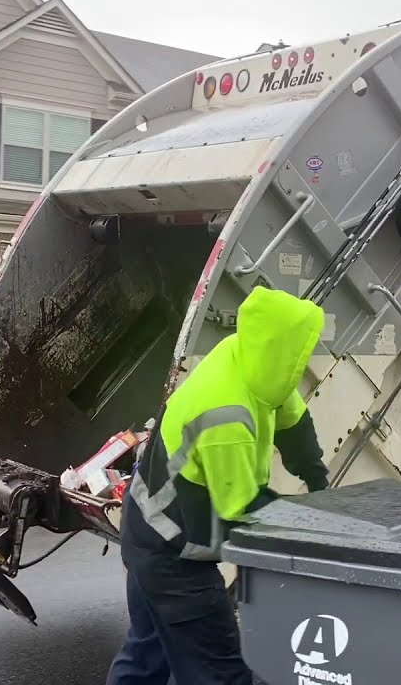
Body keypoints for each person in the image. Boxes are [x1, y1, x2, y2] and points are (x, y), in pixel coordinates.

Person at [107, 285, 331, 685]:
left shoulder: (246, 354)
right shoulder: (227, 415)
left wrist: (317, 478)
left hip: (145, 529)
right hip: (173, 558)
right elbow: (243, 510)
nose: (301, 362)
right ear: (283, 351)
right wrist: (315, 525)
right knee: (218, 671)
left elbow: (293, 421)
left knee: (147, 654)